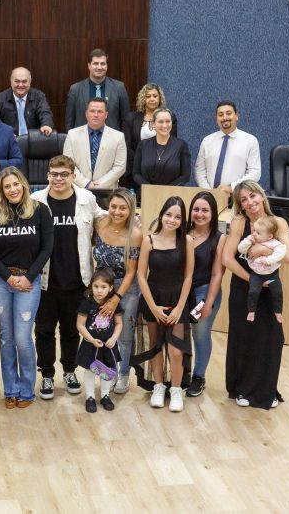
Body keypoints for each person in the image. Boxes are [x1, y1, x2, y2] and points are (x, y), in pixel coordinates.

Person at [30, 155, 106, 400]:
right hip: (45, 282)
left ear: (73, 176)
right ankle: (48, 375)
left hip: (77, 281)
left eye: (64, 174)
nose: (59, 179)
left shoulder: (86, 198)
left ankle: (70, 371)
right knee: (44, 331)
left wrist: (131, 220)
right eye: (54, 174)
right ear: (48, 175)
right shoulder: (35, 200)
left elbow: (103, 218)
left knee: (72, 330)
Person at [0, 166, 53, 408]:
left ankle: (27, 390)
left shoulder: (40, 211)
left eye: (16, 184)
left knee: (23, 338)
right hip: (0, 282)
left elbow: (46, 248)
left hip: (28, 282)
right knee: (6, 337)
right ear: (2, 190)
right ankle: (10, 389)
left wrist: (28, 277)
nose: (13, 189)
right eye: (7, 186)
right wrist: (8, 277)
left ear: (23, 184)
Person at [223, 180, 289, 409]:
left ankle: (267, 390)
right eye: (243, 200)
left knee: (272, 339)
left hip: (271, 289)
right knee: (244, 338)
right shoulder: (238, 223)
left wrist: (265, 249)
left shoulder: (279, 223)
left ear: (262, 196)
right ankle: (242, 389)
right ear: (240, 205)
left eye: (252, 196)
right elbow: (227, 258)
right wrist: (253, 280)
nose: (249, 202)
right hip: (244, 287)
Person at [135, 196, 194, 412]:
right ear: (161, 215)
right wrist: (152, 306)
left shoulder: (186, 241)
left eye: (178, 216)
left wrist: (179, 307)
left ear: (182, 220)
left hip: (177, 299)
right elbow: (141, 276)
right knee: (155, 346)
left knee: (176, 350)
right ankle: (158, 386)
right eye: (169, 214)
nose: (172, 219)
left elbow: (188, 277)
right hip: (154, 299)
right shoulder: (149, 240)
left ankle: (176, 389)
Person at [92, 188, 142, 394]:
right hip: (102, 286)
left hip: (125, 288)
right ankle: (109, 370)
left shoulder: (135, 235)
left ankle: (123, 374)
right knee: (103, 331)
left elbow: (132, 272)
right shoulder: (99, 224)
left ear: (130, 210)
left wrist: (116, 298)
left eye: (123, 208)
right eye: (114, 206)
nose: (117, 212)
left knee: (124, 335)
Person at [185, 191, 226, 397]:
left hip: (204, 291)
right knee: (178, 334)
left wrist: (208, 302)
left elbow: (218, 273)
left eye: (205, 210)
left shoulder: (219, 238)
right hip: (181, 291)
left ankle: (198, 376)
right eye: (196, 209)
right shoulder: (181, 232)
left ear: (213, 213)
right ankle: (181, 374)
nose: (199, 214)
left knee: (200, 334)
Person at [76, 268, 123, 413]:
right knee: (90, 371)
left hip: (108, 346)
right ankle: (90, 397)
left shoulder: (114, 305)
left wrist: (114, 338)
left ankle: (105, 396)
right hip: (91, 345)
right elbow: (80, 324)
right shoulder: (87, 303)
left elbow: (119, 323)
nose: (99, 290)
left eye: (103, 287)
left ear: (110, 288)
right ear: (91, 287)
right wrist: (90, 339)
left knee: (107, 371)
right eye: (96, 286)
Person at [194, 101, 261, 195]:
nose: (225, 117)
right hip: (210, 198)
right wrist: (209, 192)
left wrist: (231, 187)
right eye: (220, 114)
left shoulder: (250, 141)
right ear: (216, 119)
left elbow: (255, 173)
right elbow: (199, 171)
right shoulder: (207, 141)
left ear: (236, 116)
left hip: (238, 197)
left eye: (229, 113)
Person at [63, 98, 127, 189]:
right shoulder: (72, 135)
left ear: (106, 115)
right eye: (92, 111)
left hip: (107, 191)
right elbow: (68, 165)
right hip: (78, 189)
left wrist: (99, 185)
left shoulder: (118, 137)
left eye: (100, 111)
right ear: (86, 113)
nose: (96, 115)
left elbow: (120, 167)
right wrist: (86, 183)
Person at [124, 83, 177, 189]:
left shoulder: (169, 118)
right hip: (137, 169)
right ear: (143, 99)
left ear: (160, 98)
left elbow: (172, 144)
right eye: (148, 96)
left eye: (155, 96)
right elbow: (127, 146)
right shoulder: (131, 118)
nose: (152, 99)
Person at [65, 48, 130, 132]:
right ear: (89, 65)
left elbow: (126, 120)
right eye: (95, 63)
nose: (99, 67)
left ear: (107, 66)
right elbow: (69, 122)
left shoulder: (119, 87)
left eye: (103, 64)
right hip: (82, 141)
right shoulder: (75, 89)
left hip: (111, 141)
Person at [237, 216, 287, 323]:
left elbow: (281, 252)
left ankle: (278, 312)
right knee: (253, 292)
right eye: (254, 231)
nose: (254, 234)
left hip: (272, 275)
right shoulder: (252, 240)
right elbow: (240, 249)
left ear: (269, 236)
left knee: (277, 292)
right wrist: (247, 241)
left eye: (258, 233)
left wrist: (269, 260)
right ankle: (251, 311)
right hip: (257, 275)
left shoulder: (274, 243)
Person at [132, 108, 191, 189]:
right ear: (153, 124)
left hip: (173, 196)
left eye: (168, 121)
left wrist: (165, 190)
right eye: (160, 122)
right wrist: (150, 188)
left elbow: (185, 176)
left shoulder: (181, 145)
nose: (164, 125)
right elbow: (136, 174)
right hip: (146, 194)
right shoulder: (143, 145)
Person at [0, 67, 54, 136]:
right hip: (9, 141)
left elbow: (45, 112)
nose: (21, 85)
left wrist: (46, 124)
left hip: (33, 141)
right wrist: (5, 133)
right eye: (17, 81)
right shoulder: (0, 99)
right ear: (11, 82)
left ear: (30, 82)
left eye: (24, 81)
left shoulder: (38, 96)